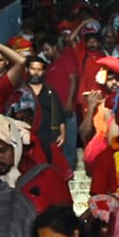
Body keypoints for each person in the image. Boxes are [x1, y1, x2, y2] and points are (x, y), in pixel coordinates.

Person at [38, 36, 80, 169]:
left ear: (55, 47)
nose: (45, 53)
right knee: (57, 142)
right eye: (43, 50)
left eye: (47, 49)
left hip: (67, 109)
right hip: (54, 112)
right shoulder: (49, 67)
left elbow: (73, 80)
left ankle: (70, 169)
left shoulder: (66, 59)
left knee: (69, 141)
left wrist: (69, 101)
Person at [24, 54, 67, 163]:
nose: (36, 72)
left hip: (47, 136)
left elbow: (60, 116)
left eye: (39, 69)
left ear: (43, 72)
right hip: (26, 136)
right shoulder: (21, 90)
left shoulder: (50, 92)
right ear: (27, 70)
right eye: (33, 69)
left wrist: (62, 134)